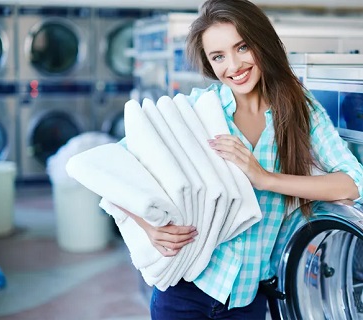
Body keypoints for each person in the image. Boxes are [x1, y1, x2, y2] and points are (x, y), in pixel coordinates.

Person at [119, 0, 363, 318]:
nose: (233, 66)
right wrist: (149, 228)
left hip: (248, 300)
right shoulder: (198, 110)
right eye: (218, 56)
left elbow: (353, 183)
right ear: (209, 63)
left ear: (262, 42)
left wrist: (264, 177)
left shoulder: (300, 110)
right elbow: (117, 167)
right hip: (185, 293)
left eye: (242, 47)